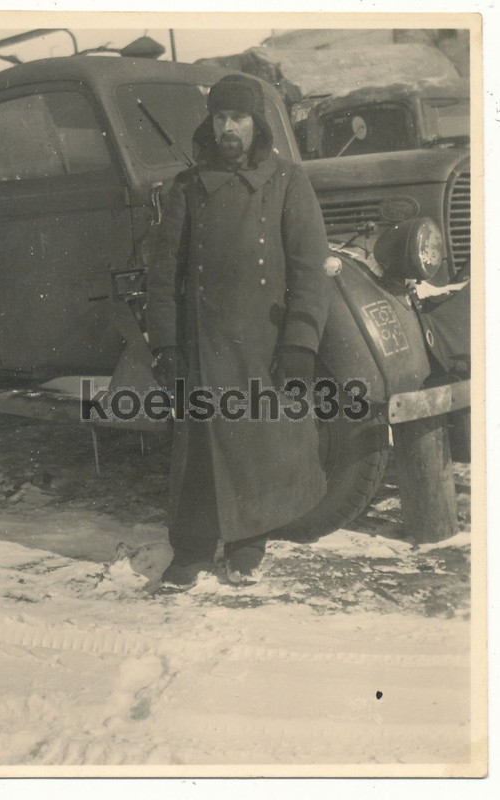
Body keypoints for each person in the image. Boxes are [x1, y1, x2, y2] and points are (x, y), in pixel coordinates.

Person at [146, 74, 332, 591]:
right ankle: (193, 548)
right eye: (221, 117)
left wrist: (300, 341)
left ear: (257, 125)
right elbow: (163, 276)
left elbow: (310, 270)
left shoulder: (288, 180)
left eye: (239, 118)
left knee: (258, 443)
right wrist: (165, 344)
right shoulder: (188, 187)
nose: (229, 127)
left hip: (263, 342)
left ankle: (249, 543)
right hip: (202, 346)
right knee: (201, 453)